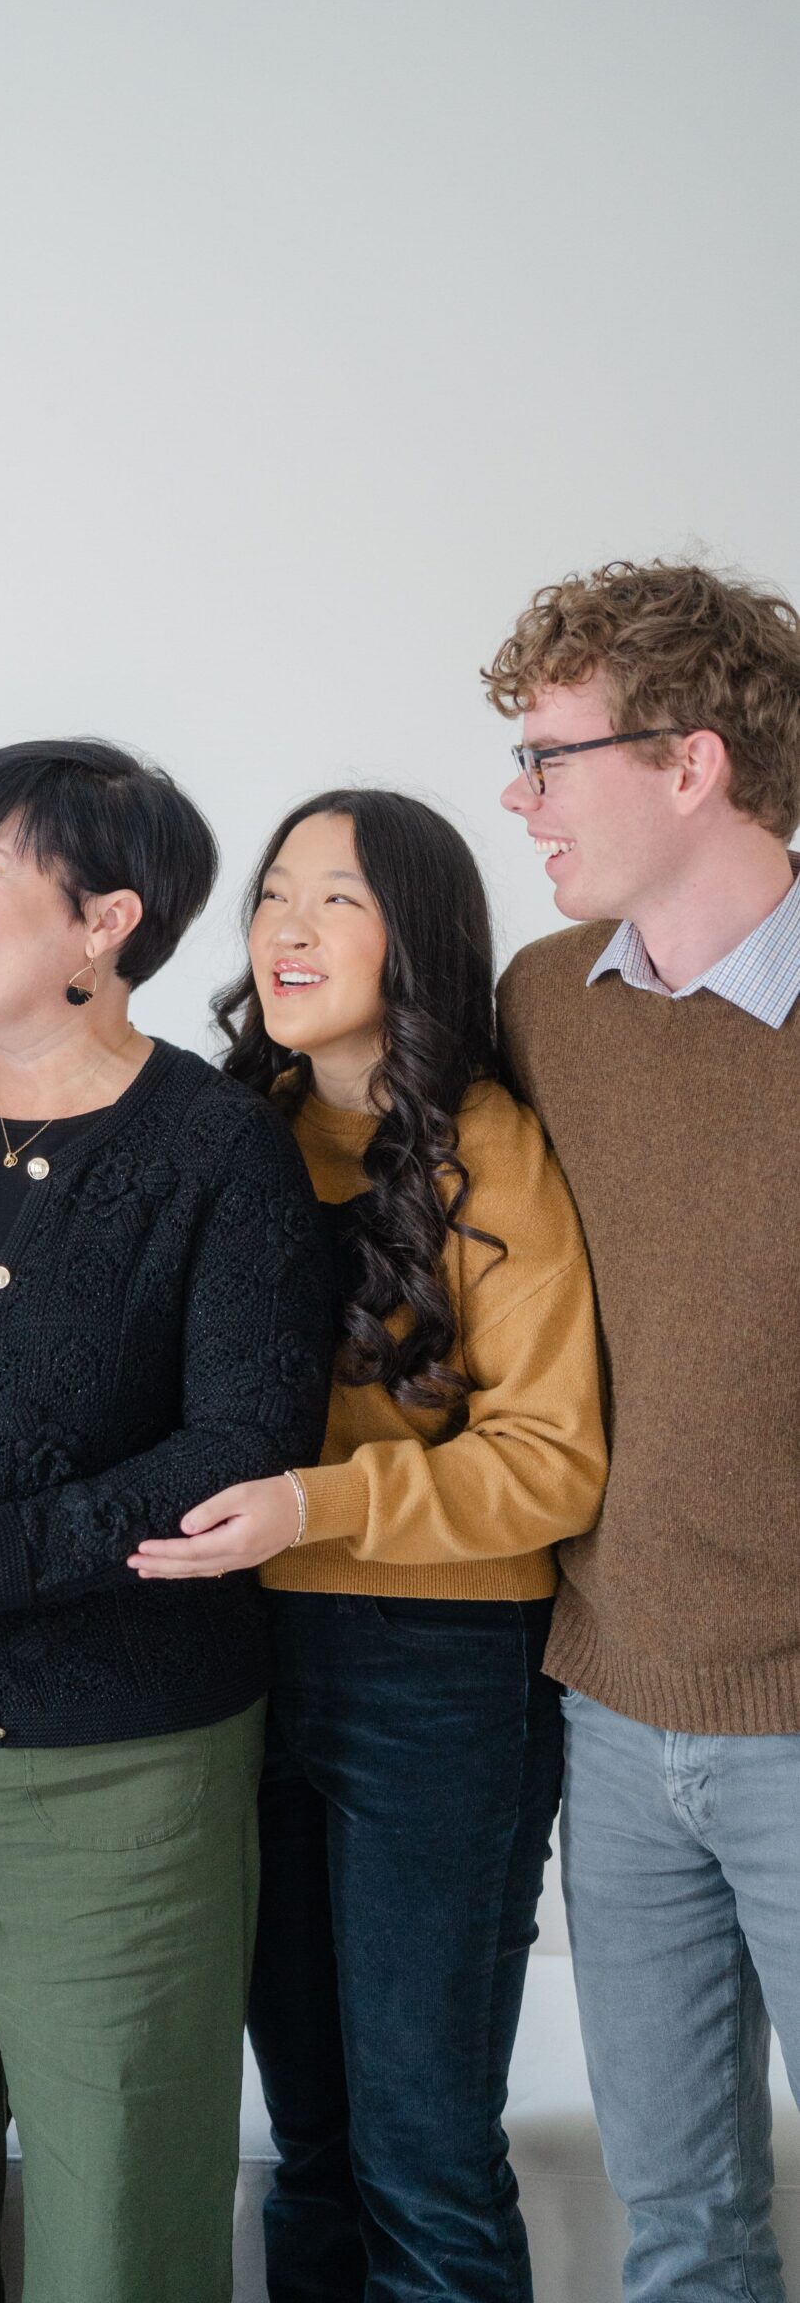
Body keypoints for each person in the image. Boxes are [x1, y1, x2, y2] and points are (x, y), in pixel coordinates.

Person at [0, 736, 336, 2303]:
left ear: (108, 920)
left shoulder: (218, 1145)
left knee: (122, 2231)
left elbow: (245, 1436)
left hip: (126, 1781)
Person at [132, 789, 607, 2303]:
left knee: (423, 2148)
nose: (289, 928)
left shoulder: (493, 1150)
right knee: (313, 2138)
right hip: (243, 1664)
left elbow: (552, 1465)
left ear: (418, 933)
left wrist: (313, 1508)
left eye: (336, 898)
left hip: (443, 1678)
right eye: (275, 894)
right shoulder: (223, 1131)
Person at [484, 558, 800, 2303]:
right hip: (610, 1718)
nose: (518, 801)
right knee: (680, 2225)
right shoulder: (547, 1006)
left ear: (692, 765)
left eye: (550, 757)